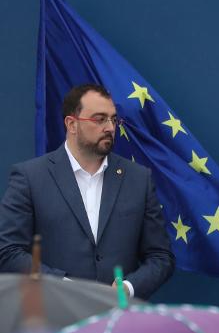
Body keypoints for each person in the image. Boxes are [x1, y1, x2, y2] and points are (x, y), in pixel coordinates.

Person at [0, 84, 174, 299]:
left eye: (113, 119)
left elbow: (160, 256)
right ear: (71, 124)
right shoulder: (30, 177)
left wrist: (128, 288)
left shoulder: (138, 179)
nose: (110, 127)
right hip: (53, 319)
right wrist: (63, 286)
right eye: (100, 119)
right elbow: (8, 252)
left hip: (117, 320)